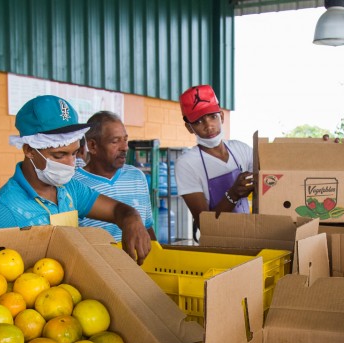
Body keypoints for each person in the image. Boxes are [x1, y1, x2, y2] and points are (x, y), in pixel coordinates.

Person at [0, 95, 151, 264]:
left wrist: (131, 218)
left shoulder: (70, 189)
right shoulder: (0, 212)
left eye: (74, 153)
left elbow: (116, 210)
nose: (70, 164)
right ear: (29, 150)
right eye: (59, 155)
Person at [174, 84, 255, 225]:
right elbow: (203, 224)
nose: (209, 126)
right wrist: (233, 193)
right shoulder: (187, 164)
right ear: (189, 127)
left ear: (222, 117)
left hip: (249, 234)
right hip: (216, 244)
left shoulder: (242, 150)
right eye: (198, 121)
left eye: (213, 117)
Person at [73, 110, 156, 242]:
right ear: (92, 146)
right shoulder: (74, 185)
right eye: (115, 141)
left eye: (125, 139)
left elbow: (146, 228)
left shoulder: (137, 177)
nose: (124, 147)